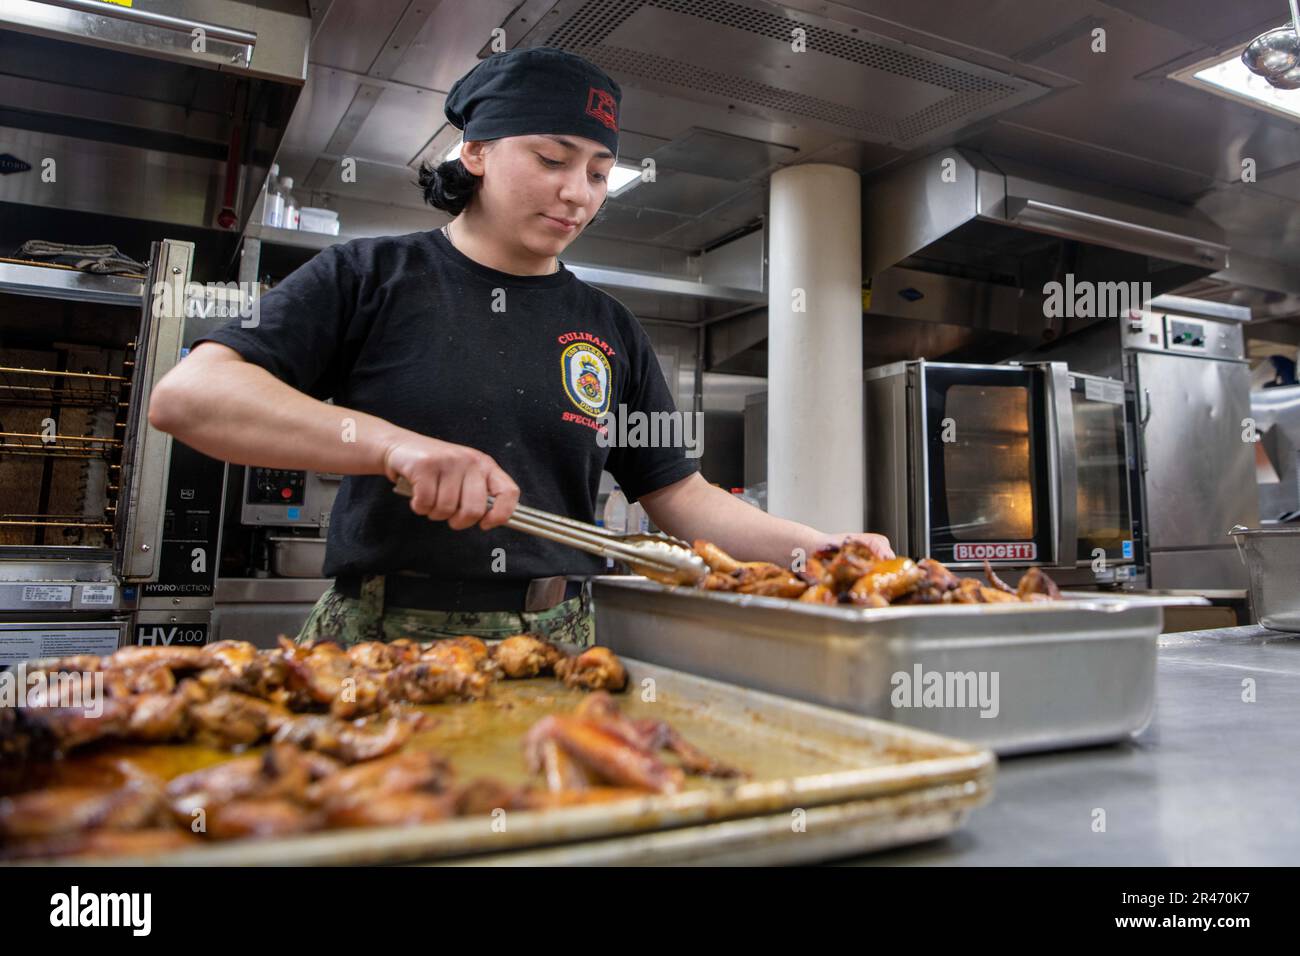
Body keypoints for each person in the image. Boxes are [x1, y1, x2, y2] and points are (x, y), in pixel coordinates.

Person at [148, 47, 893, 647]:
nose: (580, 193)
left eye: (600, 173)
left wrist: (815, 550)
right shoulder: (369, 276)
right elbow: (191, 398)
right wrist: (393, 448)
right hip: (380, 636)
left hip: (558, 638)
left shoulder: (610, 328)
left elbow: (678, 496)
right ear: (474, 150)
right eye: (552, 159)